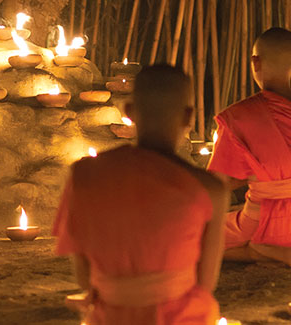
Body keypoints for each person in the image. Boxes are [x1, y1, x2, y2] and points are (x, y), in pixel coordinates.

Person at [53, 65, 227, 324]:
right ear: (188, 117)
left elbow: (85, 279)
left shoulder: (85, 175)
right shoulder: (210, 189)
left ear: (130, 113)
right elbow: (205, 283)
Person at [207, 27, 291, 264]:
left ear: (256, 63)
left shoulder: (241, 117)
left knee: (193, 238)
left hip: (266, 222)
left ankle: (263, 251)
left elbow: (217, 185)